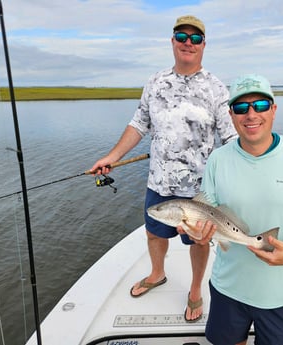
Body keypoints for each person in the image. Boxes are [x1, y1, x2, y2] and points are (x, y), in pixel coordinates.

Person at [90, 15, 237, 322]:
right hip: (158, 183)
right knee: (154, 234)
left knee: (199, 243)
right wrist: (112, 156)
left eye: (195, 39)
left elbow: (231, 138)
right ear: (172, 41)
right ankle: (157, 274)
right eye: (182, 37)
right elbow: (138, 123)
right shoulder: (156, 82)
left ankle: (196, 290)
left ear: (203, 45)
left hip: (199, 192)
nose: (188, 43)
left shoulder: (216, 89)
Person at [189, 74, 283, 344]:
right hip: (227, 288)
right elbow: (209, 211)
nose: (251, 115)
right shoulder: (218, 159)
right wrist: (198, 231)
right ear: (231, 115)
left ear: (273, 109)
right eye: (241, 107)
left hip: (281, 295)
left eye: (260, 105)